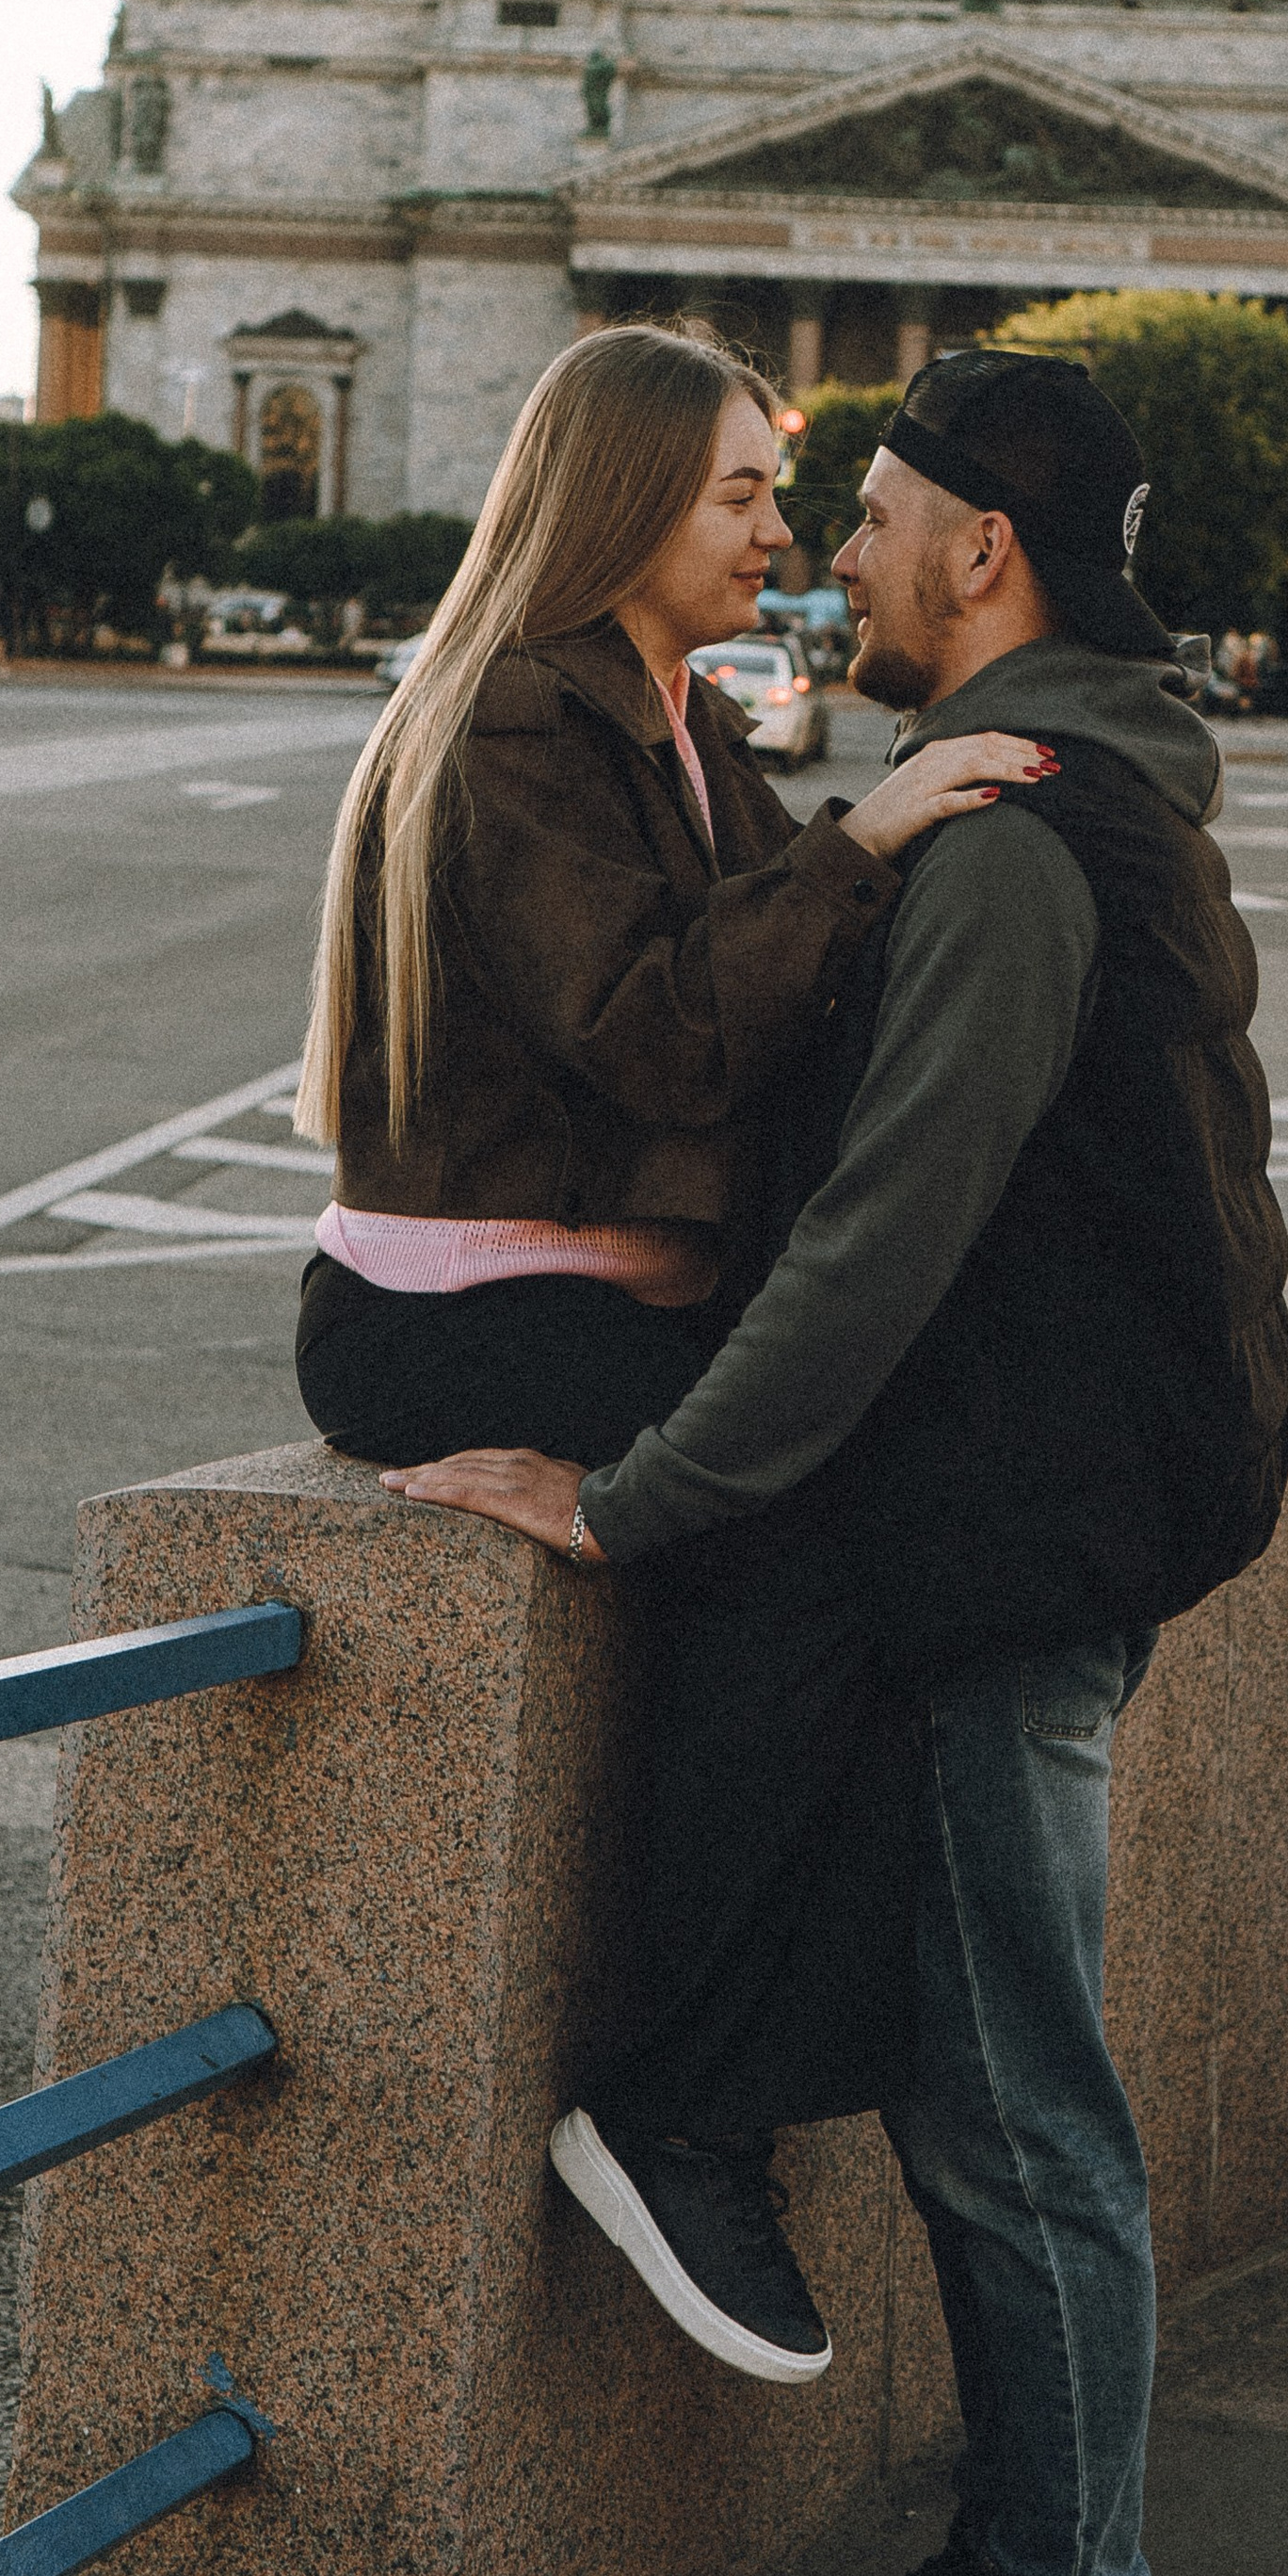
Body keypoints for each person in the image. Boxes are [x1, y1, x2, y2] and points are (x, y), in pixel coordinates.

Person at [384, 348, 1288, 2576]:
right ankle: (1023, 2573)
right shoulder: (1051, 791)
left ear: (977, 551)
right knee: (985, 2088)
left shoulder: (1010, 833)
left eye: (868, 511)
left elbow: (886, 1245)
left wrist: (640, 1493)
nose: (837, 557)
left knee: (1021, 2108)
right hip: (1029, 1508)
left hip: (1017, 1532)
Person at [292, 323, 1046, 2216]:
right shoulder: (516, 718)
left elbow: (800, 993)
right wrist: (868, 832)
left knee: (879, 1495)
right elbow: (659, 1037)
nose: (779, 529)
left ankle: (749, 2072)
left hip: (582, 1297)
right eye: (739, 491)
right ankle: (676, 2104)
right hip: (454, 1322)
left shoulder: (674, 712)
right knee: (795, 1542)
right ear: (622, 500)